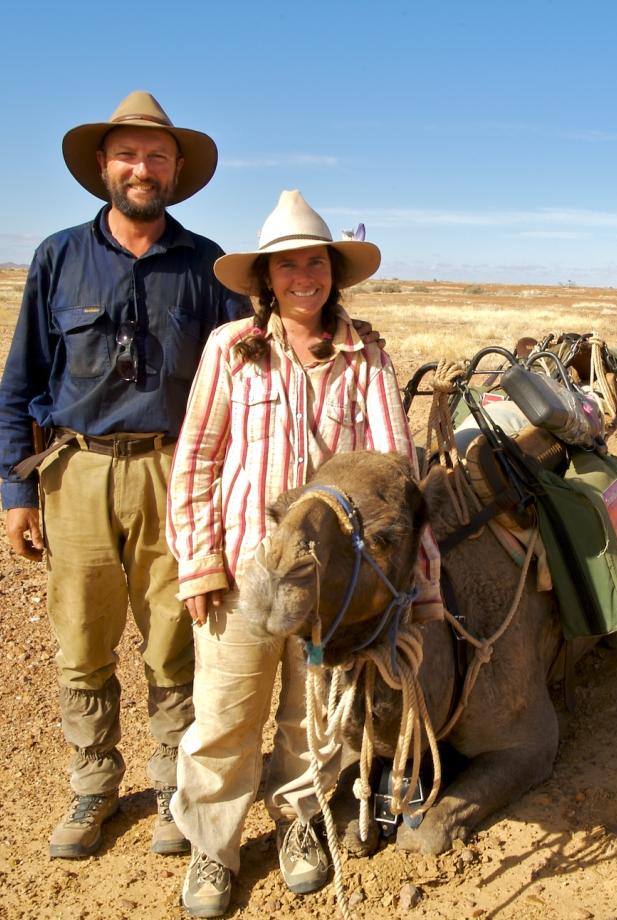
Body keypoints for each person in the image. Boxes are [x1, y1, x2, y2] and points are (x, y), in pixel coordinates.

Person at [166, 190, 441, 917]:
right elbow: (196, 460)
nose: (302, 278)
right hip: (244, 570)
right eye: (286, 266)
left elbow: (396, 476)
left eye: (314, 263)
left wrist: (423, 581)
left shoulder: (366, 354)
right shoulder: (232, 351)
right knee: (225, 714)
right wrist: (197, 562)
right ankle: (212, 847)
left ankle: (300, 825)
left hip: (335, 582)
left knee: (310, 720)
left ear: (333, 271)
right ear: (265, 278)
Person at [0, 91, 251, 860]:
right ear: (103, 166)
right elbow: (20, 380)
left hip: (175, 473)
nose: (142, 168)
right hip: (74, 472)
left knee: (177, 636)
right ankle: (93, 782)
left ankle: (174, 781)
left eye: (156, 156)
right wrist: (15, 491)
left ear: (176, 170)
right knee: (81, 639)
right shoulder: (57, 256)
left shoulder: (209, 265)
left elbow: (244, 379)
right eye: (128, 155)